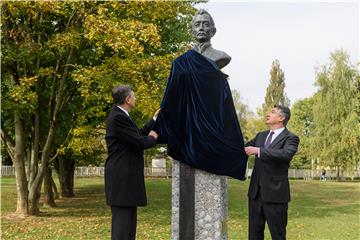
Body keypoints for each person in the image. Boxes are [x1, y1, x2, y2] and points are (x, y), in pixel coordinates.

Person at [104, 85, 159, 240]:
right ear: (128, 99)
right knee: (122, 230)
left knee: (128, 228)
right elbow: (139, 142)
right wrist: (152, 138)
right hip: (122, 179)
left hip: (125, 179)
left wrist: (154, 120)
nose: (135, 98)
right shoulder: (118, 117)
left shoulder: (122, 116)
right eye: (133, 96)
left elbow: (136, 134)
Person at [244, 105, 300, 240]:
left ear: (281, 118)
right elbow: (244, 148)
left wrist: (259, 151)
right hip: (255, 194)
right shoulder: (260, 136)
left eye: (272, 112)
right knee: (254, 235)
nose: (268, 114)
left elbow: (286, 154)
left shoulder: (291, 138)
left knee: (278, 235)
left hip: (276, 195)